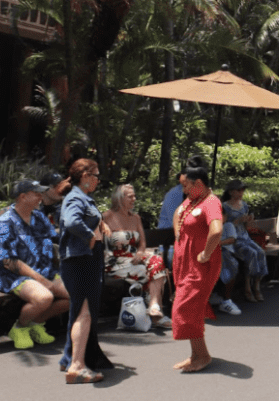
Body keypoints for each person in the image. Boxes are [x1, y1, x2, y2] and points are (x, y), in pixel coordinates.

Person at [0, 179, 70, 350]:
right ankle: (19, 328)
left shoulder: (39, 217)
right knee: (44, 297)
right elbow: (8, 261)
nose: (41, 197)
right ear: (23, 196)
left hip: (45, 271)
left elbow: (55, 238)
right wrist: (40, 279)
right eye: (36, 194)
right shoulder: (4, 223)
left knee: (76, 295)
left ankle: (35, 323)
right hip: (15, 276)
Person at [59, 158, 113, 383]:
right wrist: (90, 235)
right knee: (84, 313)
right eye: (96, 175)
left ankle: (68, 358)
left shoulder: (83, 198)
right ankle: (77, 366)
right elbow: (72, 222)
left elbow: (85, 219)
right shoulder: (75, 198)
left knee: (80, 312)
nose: (98, 179)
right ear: (85, 177)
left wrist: (100, 224)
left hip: (86, 261)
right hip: (81, 261)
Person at [171, 164, 223, 372]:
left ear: (199, 184)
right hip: (185, 264)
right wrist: (178, 233)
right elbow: (178, 212)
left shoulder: (211, 203)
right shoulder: (194, 200)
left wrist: (206, 253)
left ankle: (203, 355)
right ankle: (196, 355)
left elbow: (217, 230)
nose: (183, 190)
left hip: (200, 266)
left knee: (184, 308)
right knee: (192, 308)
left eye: (186, 186)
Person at [102, 183, 172, 328]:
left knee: (156, 261)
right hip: (115, 261)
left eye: (134, 196)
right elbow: (102, 244)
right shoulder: (106, 217)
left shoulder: (136, 218)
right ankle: (156, 314)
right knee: (155, 272)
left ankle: (153, 306)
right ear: (120, 198)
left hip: (135, 258)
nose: (134, 199)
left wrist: (140, 253)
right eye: (130, 196)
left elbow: (142, 244)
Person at [221, 178, 269, 301]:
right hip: (234, 240)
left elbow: (247, 227)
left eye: (242, 190)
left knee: (260, 252)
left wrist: (248, 220)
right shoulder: (225, 206)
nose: (241, 192)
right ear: (231, 192)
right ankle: (247, 288)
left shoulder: (244, 205)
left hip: (245, 237)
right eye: (239, 190)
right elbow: (224, 224)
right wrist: (237, 221)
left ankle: (256, 285)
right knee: (251, 254)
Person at [215, 210, 242, 316]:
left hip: (224, 251)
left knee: (230, 265)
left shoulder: (228, 226)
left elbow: (232, 239)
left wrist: (219, 243)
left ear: (225, 217)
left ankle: (226, 299)